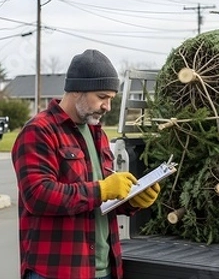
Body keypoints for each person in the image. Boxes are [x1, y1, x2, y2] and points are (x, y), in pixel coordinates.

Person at [11, 49, 161, 279]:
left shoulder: (96, 132)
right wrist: (102, 189)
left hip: (104, 268)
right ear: (77, 90)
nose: (107, 107)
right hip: (57, 271)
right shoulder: (39, 130)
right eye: (102, 97)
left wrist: (132, 200)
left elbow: (99, 201)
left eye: (111, 99)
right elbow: (38, 196)